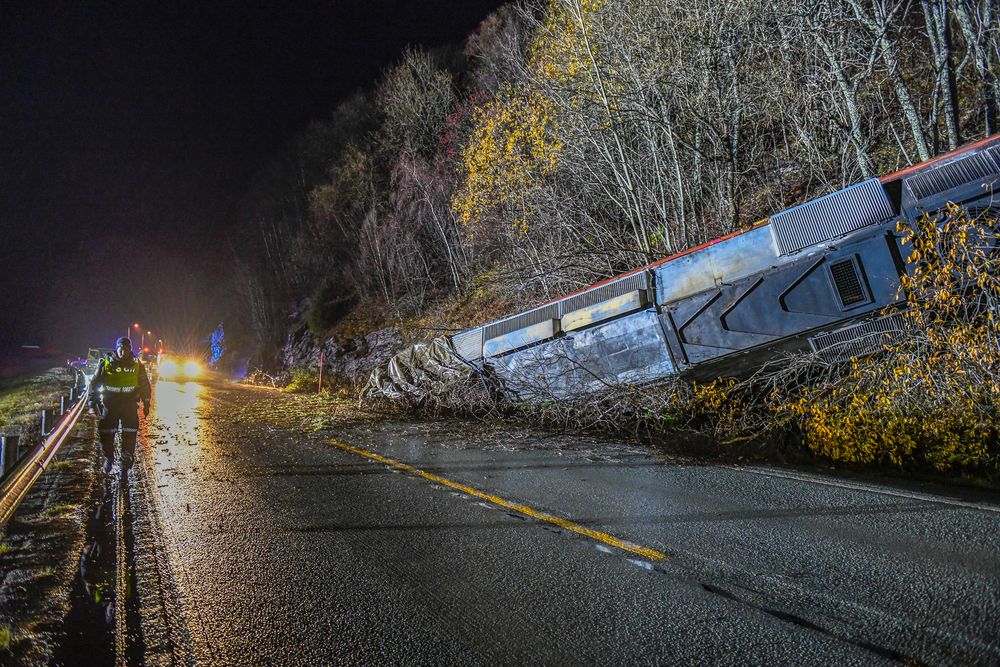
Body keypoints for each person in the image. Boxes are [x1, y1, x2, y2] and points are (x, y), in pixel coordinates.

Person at [90, 336, 152, 473]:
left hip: (129, 405)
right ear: (117, 348)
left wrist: (146, 403)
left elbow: (144, 385)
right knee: (106, 433)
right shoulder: (106, 362)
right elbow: (95, 383)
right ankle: (108, 458)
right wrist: (92, 402)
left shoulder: (137, 364)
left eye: (126, 349)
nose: (123, 352)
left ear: (130, 350)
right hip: (110, 405)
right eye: (120, 348)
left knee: (130, 433)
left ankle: (126, 459)